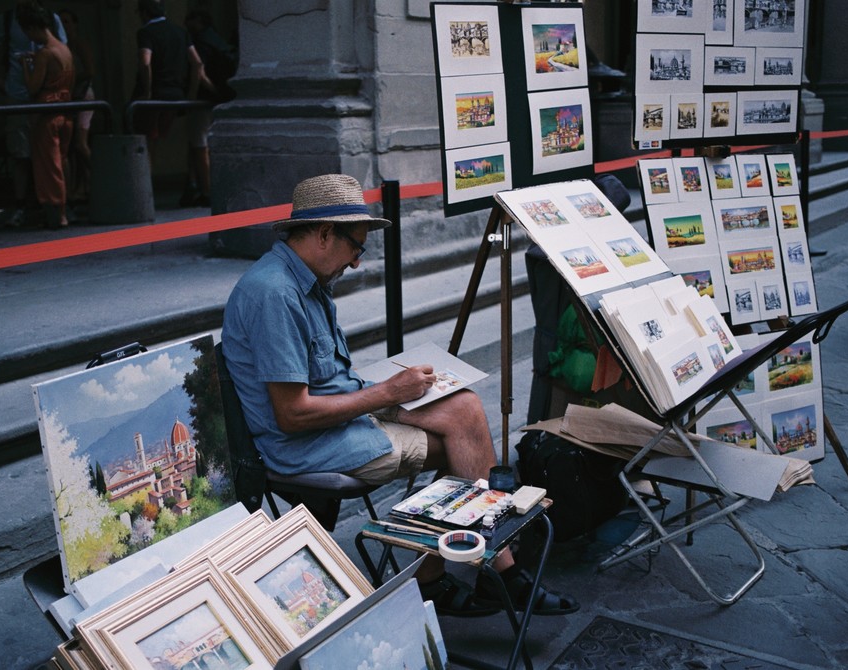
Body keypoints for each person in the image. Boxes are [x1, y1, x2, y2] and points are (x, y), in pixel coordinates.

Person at [222, 174, 580, 618]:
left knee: (465, 407)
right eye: (357, 246)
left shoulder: (305, 281)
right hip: (310, 443)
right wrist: (390, 392)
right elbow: (293, 415)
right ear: (324, 234)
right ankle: (498, 574)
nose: (356, 262)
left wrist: (390, 388)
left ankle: (453, 574)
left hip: (343, 410)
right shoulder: (275, 294)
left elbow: (328, 379)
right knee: (463, 445)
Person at [0, 0, 66, 227]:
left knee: (52, 153)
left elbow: (62, 51)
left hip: (45, 94)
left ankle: (57, 207)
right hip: (19, 93)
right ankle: (24, 206)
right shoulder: (6, 20)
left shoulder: (51, 20)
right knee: (20, 154)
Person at [132, 0, 209, 165]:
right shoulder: (181, 32)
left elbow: (145, 62)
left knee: (145, 142)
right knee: (156, 138)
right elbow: (197, 63)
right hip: (175, 96)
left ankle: (145, 186)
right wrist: (191, 96)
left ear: (144, 13)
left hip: (155, 96)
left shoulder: (145, 32)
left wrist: (147, 92)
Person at [17, 4, 73, 229]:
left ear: (32, 28)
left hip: (47, 113)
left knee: (50, 165)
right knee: (63, 160)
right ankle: (65, 208)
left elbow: (32, 87)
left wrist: (25, 65)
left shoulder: (45, 53)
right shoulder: (64, 50)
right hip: (66, 111)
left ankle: (59, 214)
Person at [178, 9, 236, 209]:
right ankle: (201, 187)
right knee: (205, 145)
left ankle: (207, 191)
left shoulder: (199, 41)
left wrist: (192, 96)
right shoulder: (216, 39)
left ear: (198, 20)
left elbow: (199, 69)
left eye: (189, 18)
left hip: (204, 100)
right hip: (218, 100)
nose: (185, 23)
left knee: (199, 146)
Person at [56, 7, 93, 204]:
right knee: (71, 147)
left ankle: (100, 178)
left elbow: (90, 71)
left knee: (80, 144)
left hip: (82, 94)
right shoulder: (62, 46)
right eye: (61, 21)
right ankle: (81, 187)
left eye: (67, 21)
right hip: (70, 96)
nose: (64, 25)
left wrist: (69, 79)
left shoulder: (79, 44)